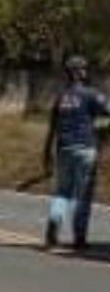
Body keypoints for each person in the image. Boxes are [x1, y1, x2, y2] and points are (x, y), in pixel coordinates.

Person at [42, 55, 110, 250]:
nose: (86, 71)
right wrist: (103, 130)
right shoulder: (90, 94)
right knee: (83, 195)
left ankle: (52, 230)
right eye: (84, 69)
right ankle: (79, 238)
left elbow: (51, 129)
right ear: (79, 72)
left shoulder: (60, 97)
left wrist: (46, 154)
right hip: (85, 149)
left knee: (62, 192)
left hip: (63, 149)